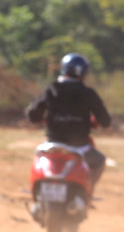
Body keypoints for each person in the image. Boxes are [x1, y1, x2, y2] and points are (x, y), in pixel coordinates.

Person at [26, 52, 111, 188]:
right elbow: (105, 121)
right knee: (99, 161)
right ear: (83, 72)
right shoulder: (88, 93)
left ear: (64, 69)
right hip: (80, 147)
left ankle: (35, 189)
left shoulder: (51, 89)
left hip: (53, 144)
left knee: (38, 159)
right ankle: (87, 190)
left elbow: (32, 115)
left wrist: (44, 119)